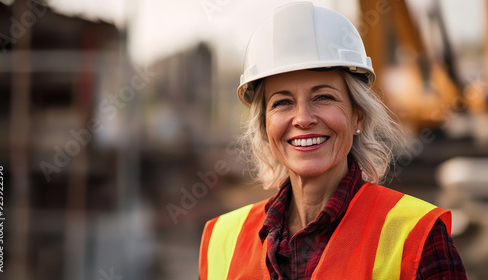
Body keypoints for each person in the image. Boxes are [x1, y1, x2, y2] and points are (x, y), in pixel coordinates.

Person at [199, 2, 467, 279]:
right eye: (283, 102)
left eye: (323, 97)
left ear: (357, 117)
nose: (303, 118)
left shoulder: (418, 237)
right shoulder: (221, 240)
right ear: (264, 125)